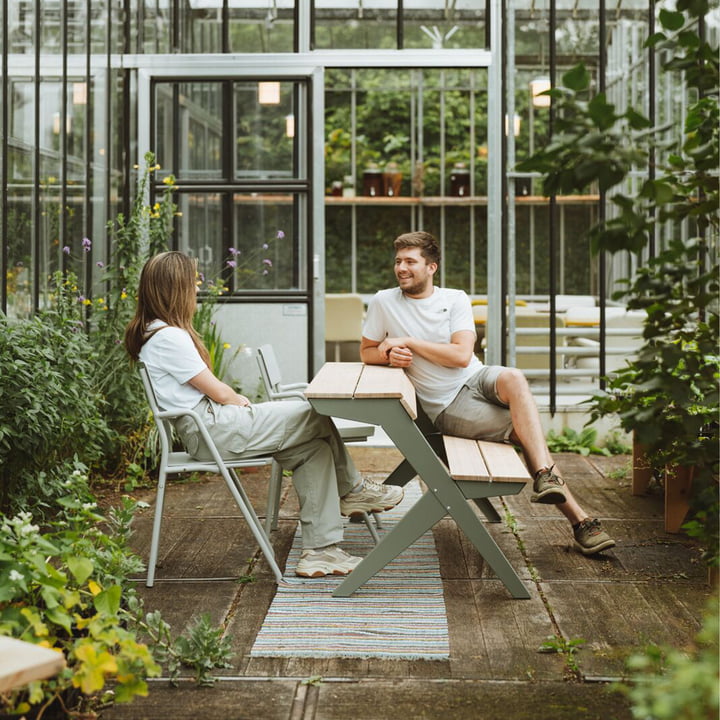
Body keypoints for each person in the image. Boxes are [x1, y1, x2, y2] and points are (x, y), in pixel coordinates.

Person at [125, 251, 403, 578]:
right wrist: (238, 400)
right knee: (315, 411)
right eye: (192, 283)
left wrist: (235, 402)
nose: (196, 290)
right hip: (214, 430)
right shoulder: (169, 337)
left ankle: (321, 551)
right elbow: (218, 392)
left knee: (313, 450)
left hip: (211, 427)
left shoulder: (155, 333)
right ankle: (353, 490)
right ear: (175, 288)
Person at [360, 231, 615, 556]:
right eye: (398, 261)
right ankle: (577, 518)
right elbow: (367, 351)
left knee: (514, 376)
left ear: (432, 267)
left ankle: (550, 483)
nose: (401, 268)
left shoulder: (455, 298)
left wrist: (406, 342)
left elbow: (461, 356)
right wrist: (386, 355)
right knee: (525, 431)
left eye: (410, 261)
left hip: (476, 377)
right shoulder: (385, 302)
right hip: (448, 406)